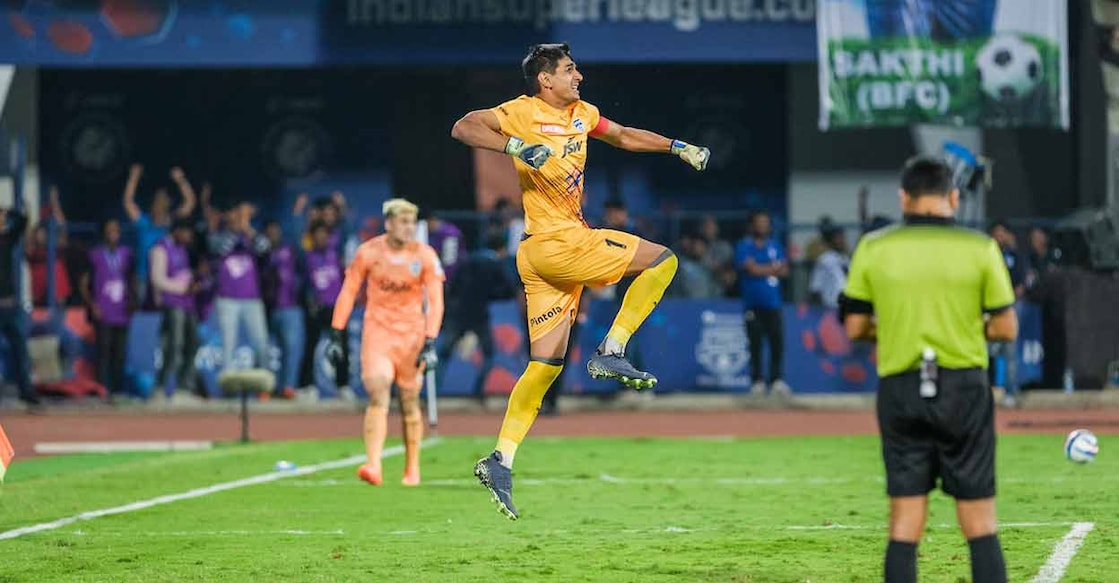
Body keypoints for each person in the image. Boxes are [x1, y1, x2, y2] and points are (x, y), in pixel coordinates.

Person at [451, 42, 709, 519]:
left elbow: (626, 136)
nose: (580, 76)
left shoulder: (582, 113)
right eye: (570, 70)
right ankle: (612, 349)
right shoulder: (521, 111)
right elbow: (463, 126)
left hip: (539, 255)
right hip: (558, 244)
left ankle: (500, 458)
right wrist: (513, 145)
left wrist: (676, 146)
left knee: (544, 367)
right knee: (663, 260)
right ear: (545, 79)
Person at [839, 156, 1017, 583]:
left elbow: (856, 325)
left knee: (904, 521)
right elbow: (1006, 326)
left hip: (900, 387)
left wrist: (898, 327)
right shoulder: (981, 247)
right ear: (953, 197)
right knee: (979, 522)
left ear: (904, 197)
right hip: (965, 388)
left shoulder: (874, 247)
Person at [326, 199, 444, 487]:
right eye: (402, 222)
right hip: (378, 333)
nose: (408, 229)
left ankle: (412, 467)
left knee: (408, 400)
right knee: (378, 391)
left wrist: (430, 340)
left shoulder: (425, 256)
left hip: (412, 336)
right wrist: (336, 332)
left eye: (411, 223)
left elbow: (436, 302)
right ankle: (373, 464)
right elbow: (349, 290)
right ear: (389, 223)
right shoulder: (368, 253)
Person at [438, 232, 517, 403]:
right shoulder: (496, 264)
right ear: (501, 249)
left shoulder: (467, 260)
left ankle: (432, 394)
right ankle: (478, 392)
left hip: (459, 313)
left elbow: (452, 285)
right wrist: (491, 296)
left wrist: (454, 303)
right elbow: (508, 290)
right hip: (479, 315)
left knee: (443, 354)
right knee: (489, 354)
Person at [208, 203, 271, 374]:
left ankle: (263, 383)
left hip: (252, 299)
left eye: (241, 214)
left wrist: (247, 228)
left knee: (261, 342)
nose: (238, 217)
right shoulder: (218, 236)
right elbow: (219, 249)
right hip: (227, 299)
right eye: (235, 213)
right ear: (227, 215)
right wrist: (237, 231)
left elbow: (265, 248)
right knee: (229, 344)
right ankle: (227, 384)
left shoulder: (250, 237)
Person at [123, 165, 197, 305]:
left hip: (167, 277)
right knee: (142, 311)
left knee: (163, 311)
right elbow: (128, 202)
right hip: (143, 275)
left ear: (168, 205)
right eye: (157, 202)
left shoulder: (170, 224)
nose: (160, 205)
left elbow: (190, 203)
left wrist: (181, 181)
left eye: (163, 202)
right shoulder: (143, 222)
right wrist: (133, 178)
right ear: (152, 205)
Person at [735, 211, 790, 397]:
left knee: (776, 343)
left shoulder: (775, 245)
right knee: (755, 343)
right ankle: (757, 381)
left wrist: (760, 268)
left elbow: (784, 270)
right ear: (752, 225)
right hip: (753, 304)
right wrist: (771, 268)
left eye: (766, 223)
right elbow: (749, 268)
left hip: (773, 303)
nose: (763, 226)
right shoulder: (744, 245)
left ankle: (776, 381)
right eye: (759, 223)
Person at [80, 218, 134, 397]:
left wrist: (132, 301)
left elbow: (131, 279)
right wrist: (92, 304)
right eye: (110, 229)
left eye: (116, 229)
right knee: (103, 352)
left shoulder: (126, 253)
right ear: (103, 232)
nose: (114, 233)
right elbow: (84, 282)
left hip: (122, 311)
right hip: (102, 310)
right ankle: (101, 389)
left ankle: (118, 390)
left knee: (119, 353)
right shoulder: (94, 254)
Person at [150, 218, 199, 399]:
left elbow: (184, 275)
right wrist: (183, 288)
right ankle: (160, 388)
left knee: (193, 343)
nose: (189, 237)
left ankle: (184, 388)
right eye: (186, 233)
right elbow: (157, 279)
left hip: (188, 304)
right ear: (177, 231)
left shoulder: (184, 249)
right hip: (172, 304)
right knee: (174, 345)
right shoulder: (160, 248)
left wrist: (193, 284)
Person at [0, 203, 39, 407]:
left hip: (9, 304)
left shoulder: (7, 239)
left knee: (20, 349)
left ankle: (26, 390)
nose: (2, 221)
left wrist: (10, 210)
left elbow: (22, 222)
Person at [263, 219, 303, 399]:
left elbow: (304, 264)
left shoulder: (291, 250)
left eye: (275, 231)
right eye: (269, 232)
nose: (272, 235)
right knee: (268, 350)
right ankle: (267, 387)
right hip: (269, 308)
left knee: (291, 348)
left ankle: (288, 386)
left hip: (291, 307)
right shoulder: (264, 254)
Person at [988, 221, 1026, 404]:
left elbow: (1021, 280)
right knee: (986, 354)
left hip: (1009, 306)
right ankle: (986, 393)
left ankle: (1011, 392)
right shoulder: (987, 254)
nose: (999, 236)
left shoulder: (1013, 255)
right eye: (996, 233)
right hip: (988, 308)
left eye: (1002, 233)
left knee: (1010, 352)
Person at [305, 220, 345, 393]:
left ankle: (343, 386)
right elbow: (302, 283)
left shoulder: (335, 255)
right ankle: (308, 385)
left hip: (336, 308)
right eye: (317, 234)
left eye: (324, 234)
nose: (321, 238)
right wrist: (309, 301)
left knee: (341, 347)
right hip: (316, 309)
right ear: (312, 237)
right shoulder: (307, 257)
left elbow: (345, 280)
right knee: (310, 346)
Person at [25, 186, 72, 307]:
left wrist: (55, 204)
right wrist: (28, 216)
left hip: (58, 295)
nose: (43, 235)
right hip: (39, 295)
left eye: (45, 232)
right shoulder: (33, 251)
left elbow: (62, 229)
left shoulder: (57, 247)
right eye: (40, 231)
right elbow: (28, 238)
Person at [809, 225, 848, 309]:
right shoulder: (825, 259)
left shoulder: (846, 259)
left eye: (842, 238)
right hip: (830, 306)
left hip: (846, 306)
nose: (841, 241)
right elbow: (815, 286)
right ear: (831, 240)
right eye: (838, 238)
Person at [425, 211, 465, 282]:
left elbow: (450, 262)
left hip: (455, 275)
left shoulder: (450, 234)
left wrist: (442, 279)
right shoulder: (430, 233)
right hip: (437, 273)